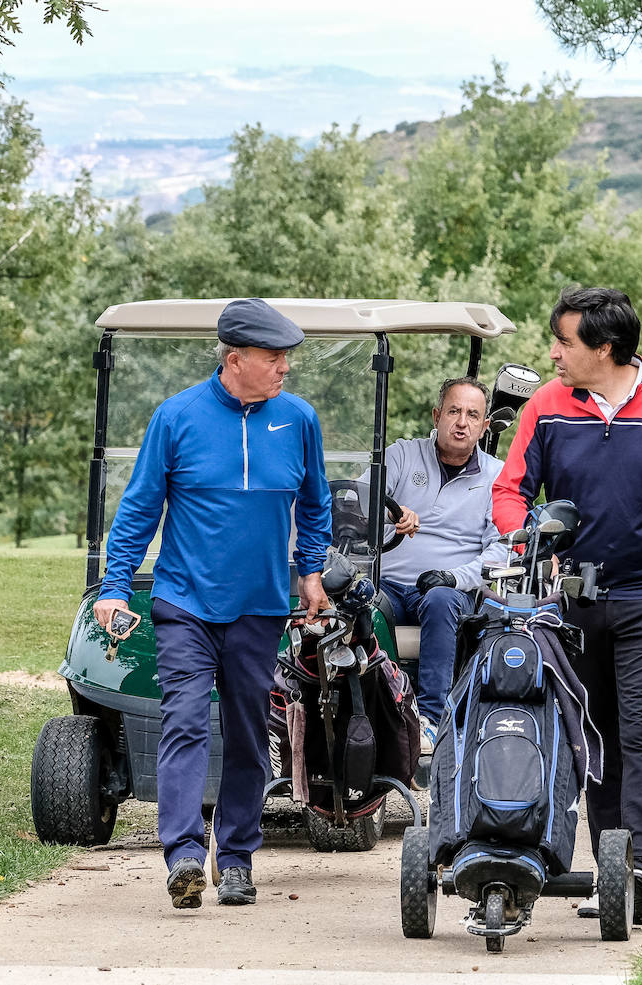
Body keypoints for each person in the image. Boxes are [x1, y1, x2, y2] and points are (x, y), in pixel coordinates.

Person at [492, 286, 642, 926]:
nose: (552, 354)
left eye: (564, 342)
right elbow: (511, 491)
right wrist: (526, 539)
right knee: (593, 737)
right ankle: (610, 871)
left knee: (641, 729)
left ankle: (639, 871)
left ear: (604, 349)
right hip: (571, 602)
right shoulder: (547, 407)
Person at [94, 298, 332, 911]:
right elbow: (140, 508)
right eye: (274, 358)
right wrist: (116, 585)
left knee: (251, 735)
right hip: (186, 601)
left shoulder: (299, 420)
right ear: (235, 358)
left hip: (260, 608)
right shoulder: (177, 417)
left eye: (286, 359)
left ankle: (237, 858)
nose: (285, 369)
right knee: (185, 721)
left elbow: (314, 504)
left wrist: (310, 573)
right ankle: (182, 855)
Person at [366, 377, 507, 754]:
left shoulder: (497, 476)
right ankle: (369, 715)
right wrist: (388, 514)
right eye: (454, 411)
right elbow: (357, 503)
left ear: (484, 425)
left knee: (441, 600)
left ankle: (429, 720)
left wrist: (452, 577)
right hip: (390, 583)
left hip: (450, 589)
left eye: (472, 415)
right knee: (363, 604)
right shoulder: (401, 455)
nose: (461, 422)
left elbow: (501, 549)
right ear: (437, 414)